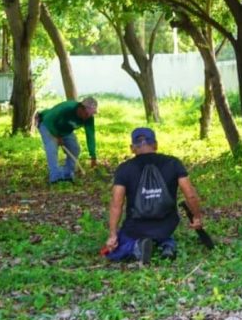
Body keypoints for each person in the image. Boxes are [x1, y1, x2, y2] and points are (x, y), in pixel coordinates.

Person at [104, 127, 205, 264]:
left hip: (136, 226)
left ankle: (138, 247)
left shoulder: (124, 169)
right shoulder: (173, 163)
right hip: (167, 223)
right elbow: (190, 195)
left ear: (132, 148)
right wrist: (197, 217)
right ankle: (168, 246)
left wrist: (113, 235)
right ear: (156, 145)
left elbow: (117, 204)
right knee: (163, 234)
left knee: (118, 250)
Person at [36, 97, 99, 183]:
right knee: (52, 148)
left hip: (65, 130)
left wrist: (93, 156)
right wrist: (57, 136)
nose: (89, 117)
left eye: (91, 114)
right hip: (47, 124)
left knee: (75, 149)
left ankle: (67, 174)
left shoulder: (89, 119)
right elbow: (49, 120)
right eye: (88, 114)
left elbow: (90, 135)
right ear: (81, 108)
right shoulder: (67, 108)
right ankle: (55, 177)